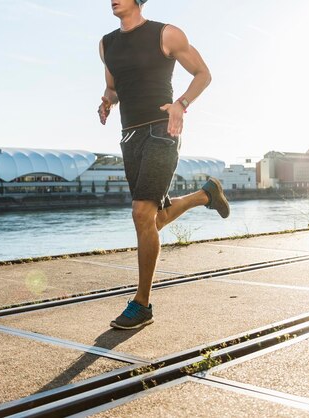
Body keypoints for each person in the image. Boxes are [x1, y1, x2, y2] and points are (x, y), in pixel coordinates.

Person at [99, 0, 230, 329]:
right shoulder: (107, 44)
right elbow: (114, 88)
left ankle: (142, 304)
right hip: (129, 137)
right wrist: (106, 102)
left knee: (141, 214)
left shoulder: (166, 34)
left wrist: (181, 105)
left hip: (162, 130)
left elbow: (204, 74)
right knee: (151, 219)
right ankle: (205, 195)